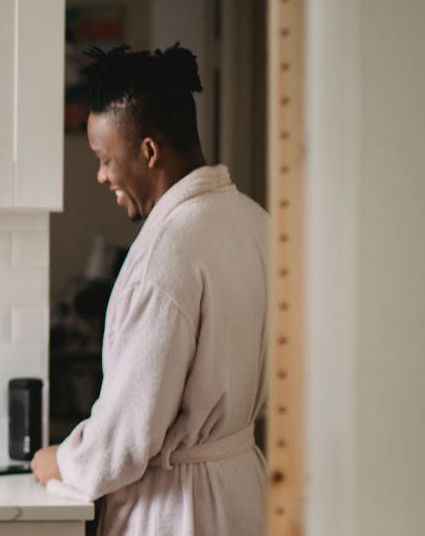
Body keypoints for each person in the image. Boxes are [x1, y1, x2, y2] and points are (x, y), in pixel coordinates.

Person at [31, 45, 268, 535]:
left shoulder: (167, 252)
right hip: (247, 492)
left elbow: (125, 441)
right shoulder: (256, 223)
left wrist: (58, 461)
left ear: (148, 151)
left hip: (179, 510)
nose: (101, 176)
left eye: (104, 158)